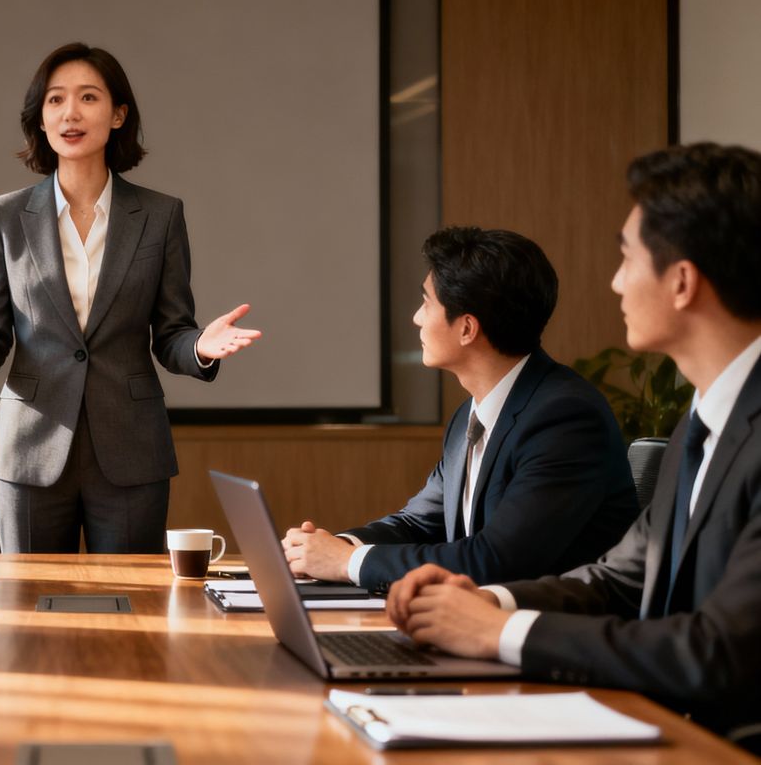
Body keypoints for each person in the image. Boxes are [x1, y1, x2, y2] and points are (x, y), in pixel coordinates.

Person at [386, 143, 761, 753]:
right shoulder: (705, 415)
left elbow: (716, 653)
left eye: (626, 258)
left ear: (683, 281)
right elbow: (619, 580)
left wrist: (501, 632)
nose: (614, 282)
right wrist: (483, 600)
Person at [0, 43, 261, 553]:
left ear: (118, 114)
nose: (70, 113)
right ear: (40, 118)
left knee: (135, 616)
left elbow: (173, 334)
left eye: (88, 97)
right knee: (24, 615)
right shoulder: (4, 217)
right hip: (28, 447)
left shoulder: (160, 216)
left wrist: (202, 345)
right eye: (55, 100)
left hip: (132, 447)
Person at [281, 227, 639, 590]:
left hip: (553, 637)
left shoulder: (564, 419)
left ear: (467, 328)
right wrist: (333, 548)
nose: (417, 319)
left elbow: (496, 561)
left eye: (426, 303)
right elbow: (419, 523)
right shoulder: (472, 413)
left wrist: (347, 563)